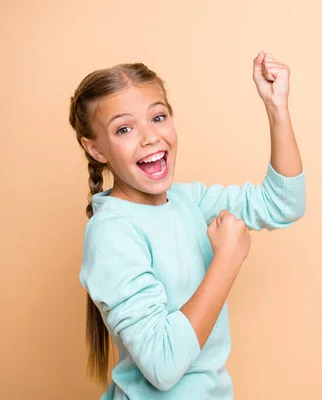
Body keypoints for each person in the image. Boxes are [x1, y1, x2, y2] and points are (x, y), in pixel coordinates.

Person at [68, 50, 305, 399]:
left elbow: (283, 203)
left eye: (158, 117)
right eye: (124, 129)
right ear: (97, 149)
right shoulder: (112, 233)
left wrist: (277, 109)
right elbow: (163, 365)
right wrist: (227, 260)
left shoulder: (188, 202)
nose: (150, 137)